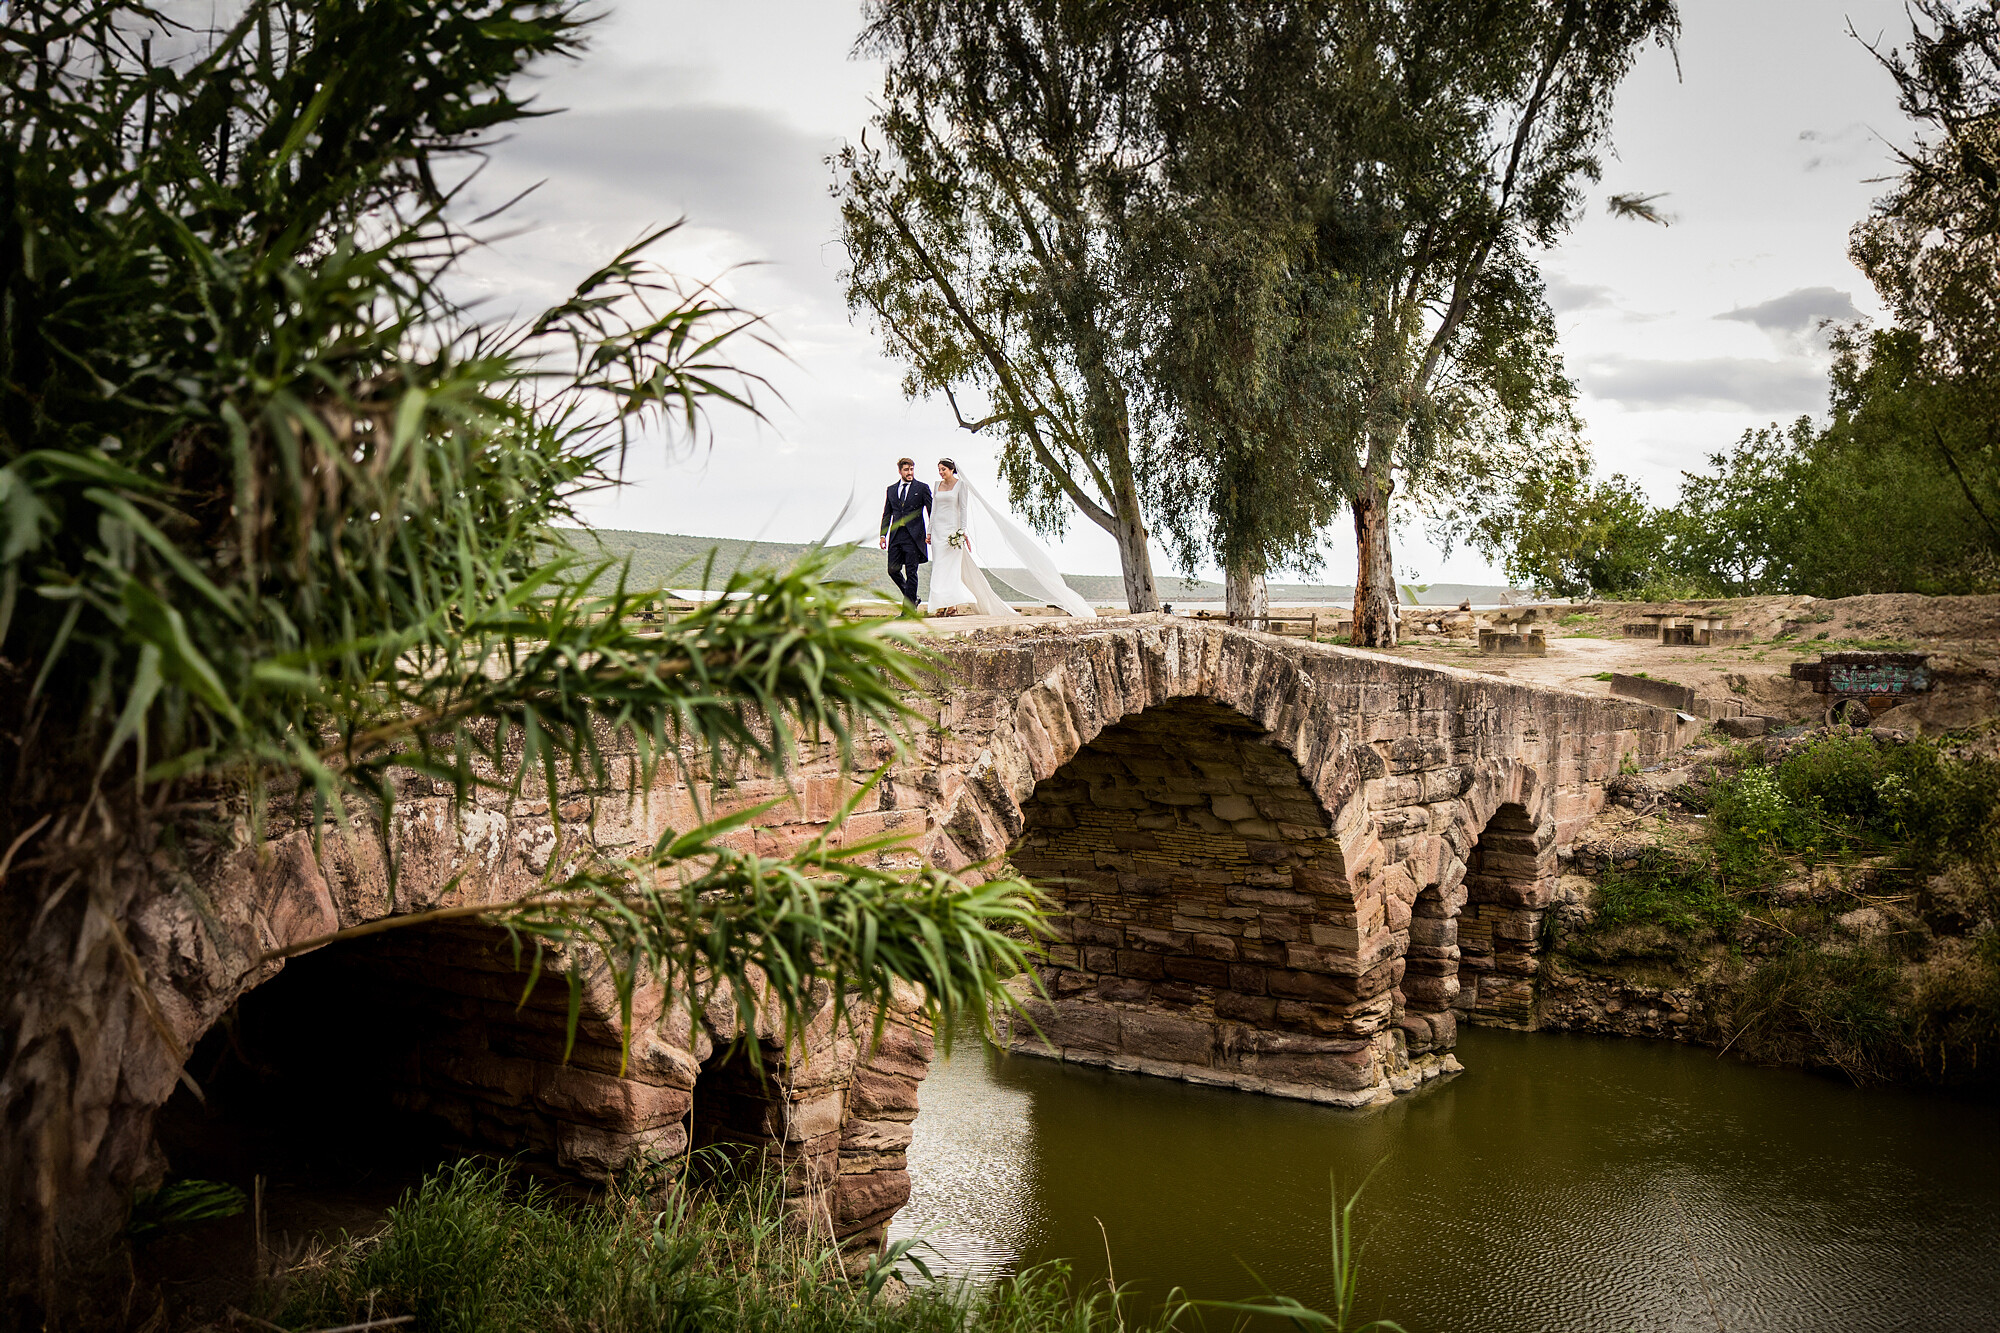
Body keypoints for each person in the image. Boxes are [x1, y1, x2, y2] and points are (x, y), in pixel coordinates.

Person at [922, 458, 1095, 619]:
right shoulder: (937, 485)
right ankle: (940, 604)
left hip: (953, 532)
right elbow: (934, 510)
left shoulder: (961, 486)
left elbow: (963, 510)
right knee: (939, 567)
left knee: (952, 569)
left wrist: (961, 532)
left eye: (943, 469)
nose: (941, 472)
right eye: (939, 470)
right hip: (938, 532)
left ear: (952, 469)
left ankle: (951, 605)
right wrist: (929, 532)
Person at [879, 457, 931, 608]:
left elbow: (931, 511)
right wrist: (883, 535)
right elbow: (887, 514)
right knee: (892, 569)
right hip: (896, 535)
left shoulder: (922, 488)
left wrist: (931, 531)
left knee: (911, 572)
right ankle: (913, 598)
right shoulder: (891, 489)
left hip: (914, 536)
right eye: (906, 470)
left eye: (912, 469)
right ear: (900, 471)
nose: (910, 473)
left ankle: (908, 609)